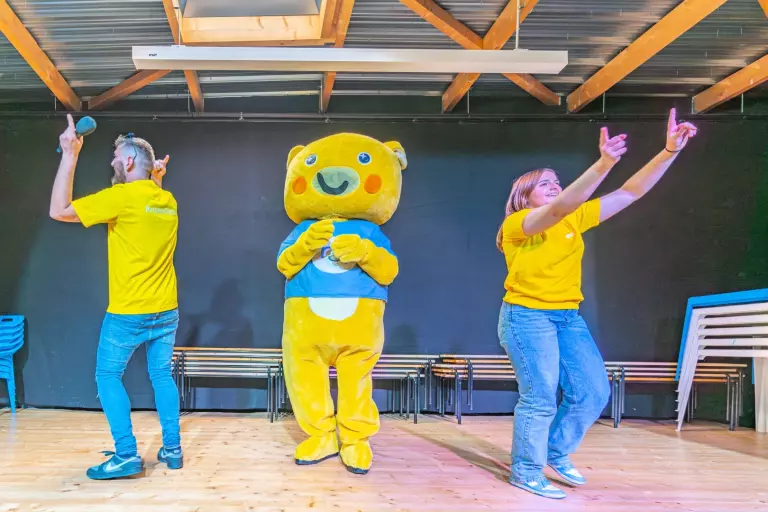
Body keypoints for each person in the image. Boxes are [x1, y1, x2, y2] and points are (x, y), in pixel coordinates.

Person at [496, 109, 697, 499]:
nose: (554, 186)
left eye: (557, 181)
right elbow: (558, 208)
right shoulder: (518, 225)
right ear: (524, 196)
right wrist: (604, 163)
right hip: (526, 317)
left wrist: (669, 151)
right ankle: (526, 469)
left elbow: (631, 192)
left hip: (567, 318)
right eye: (544, 183)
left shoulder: (574, 220)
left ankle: (554, 451)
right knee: (540, 396)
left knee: (592, 392)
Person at [49, 114, 182, 480]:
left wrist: (70, 154)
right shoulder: (167, 200)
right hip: (166, 310)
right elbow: (151, 202)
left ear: (129, 162)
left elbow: (58, 210)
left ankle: (126, 455)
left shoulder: (120, 198)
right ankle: (172, 450)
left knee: (107, 375)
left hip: (128, 312)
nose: (112, 163)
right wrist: (156, 178)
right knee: (161, 375)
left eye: (116, 157)